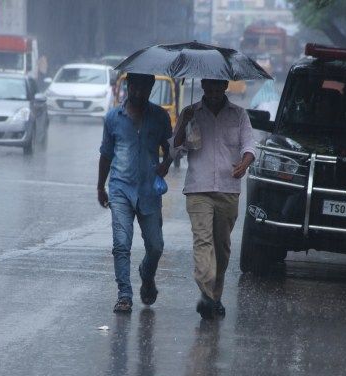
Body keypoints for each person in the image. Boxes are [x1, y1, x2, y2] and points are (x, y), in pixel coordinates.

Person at [170, 79, 257, 319]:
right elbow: (175, 149)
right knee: (203, 241)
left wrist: (244, 163)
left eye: (218, 88)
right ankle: (207, 293)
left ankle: (213, 297)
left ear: (225, 85)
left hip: (228, 189)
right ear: (204, 86)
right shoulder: (191, 112)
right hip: (198, 188)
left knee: (222, 247)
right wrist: (183, 123)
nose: (214, 93)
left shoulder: (239, 115)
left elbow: (250, 144)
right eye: (210, 88)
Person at [98, 73, 173, 313]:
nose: (139, 93)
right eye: (135, 87)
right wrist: (100, 186)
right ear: (128, 86)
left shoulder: (160, 117)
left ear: (151, 88)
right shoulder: (113, 118)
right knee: (121, 244)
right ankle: (124, 295)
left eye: (144, 88)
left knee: (156, 246)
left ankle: (146, 274)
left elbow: (169, 148)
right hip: (120, 188)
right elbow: (106, 154)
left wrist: (166, 164)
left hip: (149, 191)